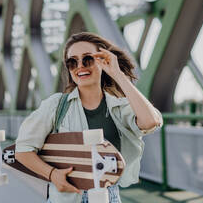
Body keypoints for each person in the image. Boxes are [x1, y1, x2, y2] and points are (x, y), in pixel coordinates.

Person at [15, 32, 163, 203]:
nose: (80, 66)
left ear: (102, 60)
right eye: (72, 62)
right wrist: (53, 175)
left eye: (88, 59)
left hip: (109, 196)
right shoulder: (55, 106)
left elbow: (151, 121)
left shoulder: (119, 107)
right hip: (67, 198)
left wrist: (117, 74)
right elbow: (23, 151)